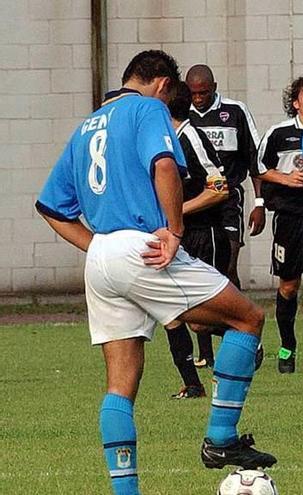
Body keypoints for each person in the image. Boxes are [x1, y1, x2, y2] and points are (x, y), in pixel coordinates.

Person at [35, 50, 275, 495]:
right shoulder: (148, 108)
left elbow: (50, 207)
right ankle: (221, 440)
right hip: (143, 246)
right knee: (248, 318)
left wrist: (98, 246)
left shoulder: (88, 124)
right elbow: (164, 165)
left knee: (122, 382)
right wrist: (175, 231)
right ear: (163, 84)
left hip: (104, 255)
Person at [187, 64, 264, 367]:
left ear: (214, 87)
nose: (198, 100)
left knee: (227, 267)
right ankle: (206, 352)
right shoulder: (182, 115)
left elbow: (254, 159)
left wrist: (259, 202)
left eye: (203, 93)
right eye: (193, 94)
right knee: (197, 272)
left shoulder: (234, 112)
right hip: (196, 204)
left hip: (228, 200)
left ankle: (244, 328)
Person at [256, 75, 303, 374]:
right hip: (288, 218)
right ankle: (287, 346)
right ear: (296, 102)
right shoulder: (279, 133)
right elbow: (258, 167)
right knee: (289, 284)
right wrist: (284, 178)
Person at [164, 81, 230, 399]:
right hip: (176, 237)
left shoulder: (190, 136)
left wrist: (178, 212)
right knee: (170, 313)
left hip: (204, 234)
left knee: (199, 318)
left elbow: (219, 187)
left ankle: (242, 330)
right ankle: (193, 384)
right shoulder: (165, 141)